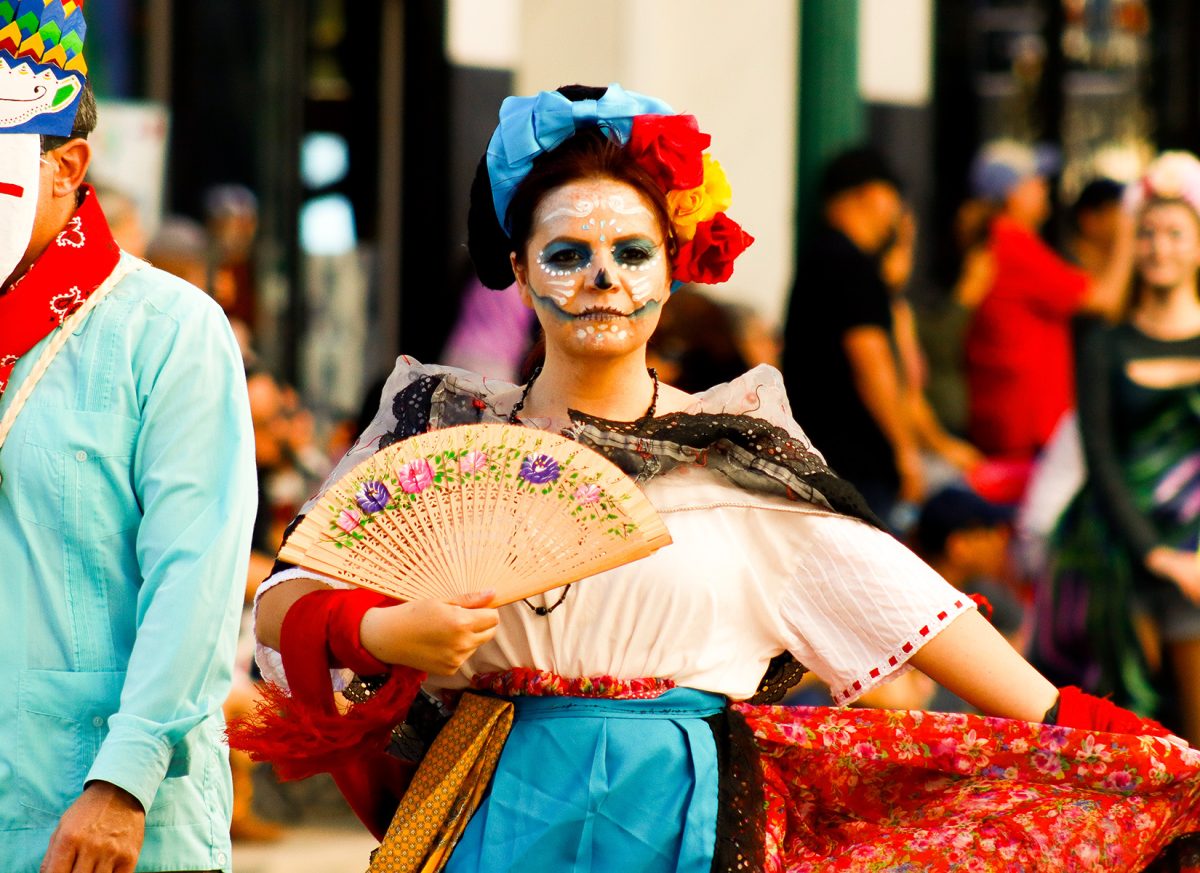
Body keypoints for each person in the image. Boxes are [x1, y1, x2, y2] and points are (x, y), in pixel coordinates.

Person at [239, 85, 1200, 871]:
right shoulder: (442, 439)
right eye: (567, 254)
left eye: (630, 252)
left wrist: (1161, 762)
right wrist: (382, 628)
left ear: (670, 270)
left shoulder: (741, 465)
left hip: (691, 826)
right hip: (489, 812)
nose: (600, 279)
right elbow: (284, 608)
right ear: (523, 273)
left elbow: (962, 647)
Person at [0, 7, 256, 871]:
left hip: (107, 817)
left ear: (65, 165)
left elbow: (198, 572)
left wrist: (125, 779)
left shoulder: (171, 328)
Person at [1034, 151, 1200, 747]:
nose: (1161, 248)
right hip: (1117, 541)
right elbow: (1100, 459)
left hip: (1195, 543)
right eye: (1148, 233)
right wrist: (1157, 555)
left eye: (1176, 234)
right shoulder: (1104, 343)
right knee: (1134, 727)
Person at [782, 149, 979, 530]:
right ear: (869, 194)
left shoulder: (821, 258)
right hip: (855, 462)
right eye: (894, 198)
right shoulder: (850, 264)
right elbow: (871, 363)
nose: (897, 212)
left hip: (822, 453)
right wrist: (905, 452)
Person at [964, 140, 1135, 467]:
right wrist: (1127, 230)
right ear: (1013, 193)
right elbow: (1105, 300)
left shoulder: (1003, 241)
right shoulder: (1011, 243)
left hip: (1014, 425)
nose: (1044, 188)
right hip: (1025, 432)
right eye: (1036, 180)